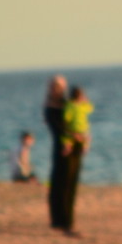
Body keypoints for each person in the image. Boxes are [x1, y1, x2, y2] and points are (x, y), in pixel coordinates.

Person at [51, 85, 92, 235]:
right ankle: (64, 222)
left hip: (79, 134)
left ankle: (82, 146)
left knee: (85, 138)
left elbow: (87, 109)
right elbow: (65, 121)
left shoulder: (73, 106)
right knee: (66, 181)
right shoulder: (73, 107)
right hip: (74, 134)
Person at [43, 74, 69, 229]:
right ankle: (56, 219)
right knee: (58, 182)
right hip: (59, 145)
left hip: (70, 146)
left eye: (60, 87)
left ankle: (66, 218)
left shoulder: (66, 103)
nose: (58, 89)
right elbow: (57, 127)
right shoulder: (49, 106)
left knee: (67, 183)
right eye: (55, 86)